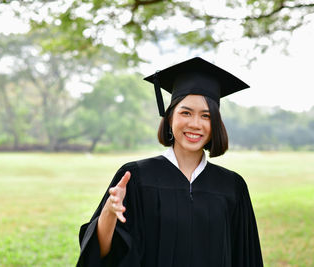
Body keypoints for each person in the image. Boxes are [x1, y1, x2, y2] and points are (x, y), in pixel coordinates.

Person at [76, 57, 263, 267]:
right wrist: (109, 212)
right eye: (186, 112)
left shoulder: (232, 186)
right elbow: (101, 255)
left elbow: (247, 258)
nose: (195, 124)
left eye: (206, 116)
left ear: (216, 124)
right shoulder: (136, 177)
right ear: (170, 116)